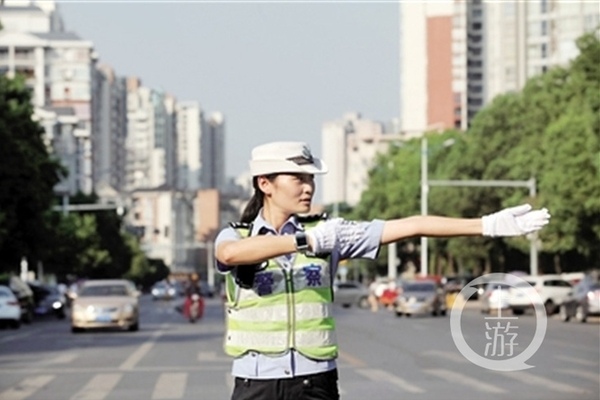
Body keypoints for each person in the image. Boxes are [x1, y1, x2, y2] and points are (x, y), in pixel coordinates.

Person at [214, 141, 550, 400]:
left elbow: (413, 225)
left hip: (314, 381)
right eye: (298, 178)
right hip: (254, 383)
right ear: (265, 184)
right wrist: (307, 241)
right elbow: (230, 254)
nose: (308, 187)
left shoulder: (331, 233)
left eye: (311, 179)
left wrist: (487, 225)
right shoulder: (238, 235)